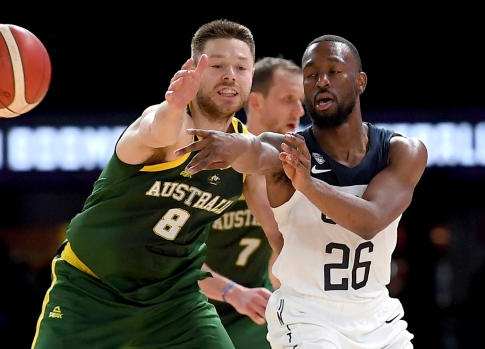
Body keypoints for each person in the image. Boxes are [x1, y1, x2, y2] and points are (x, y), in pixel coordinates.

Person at [175, 34, 428, 348]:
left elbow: (368, 222)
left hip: (374, 315)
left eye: (333, 71)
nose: (321, 82)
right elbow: (254, 149)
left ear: (360, 81)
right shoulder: (279, 154)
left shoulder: (399, 151)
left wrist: (307, 185)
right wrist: (219, 135)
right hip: (291, 314)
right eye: (310, 76)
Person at [31, 19, 262, 349]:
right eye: (219, 65)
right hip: (92, 292)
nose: (230, 75)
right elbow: (160, 130)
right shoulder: (167, 123)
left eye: (241, 67)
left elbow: (277, 225)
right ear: (194, 70)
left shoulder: (244, 151)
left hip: (173, 302)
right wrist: (174, 104)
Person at [199, 56, 305, 349]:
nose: (299, 110)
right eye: (288, 99)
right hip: (193, 301)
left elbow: (282, 252)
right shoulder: (214, 164)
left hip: (253, 309)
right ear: (255, 102)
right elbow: (171, 258)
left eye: (301, 101)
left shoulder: (294, 171)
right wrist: (232, 291)